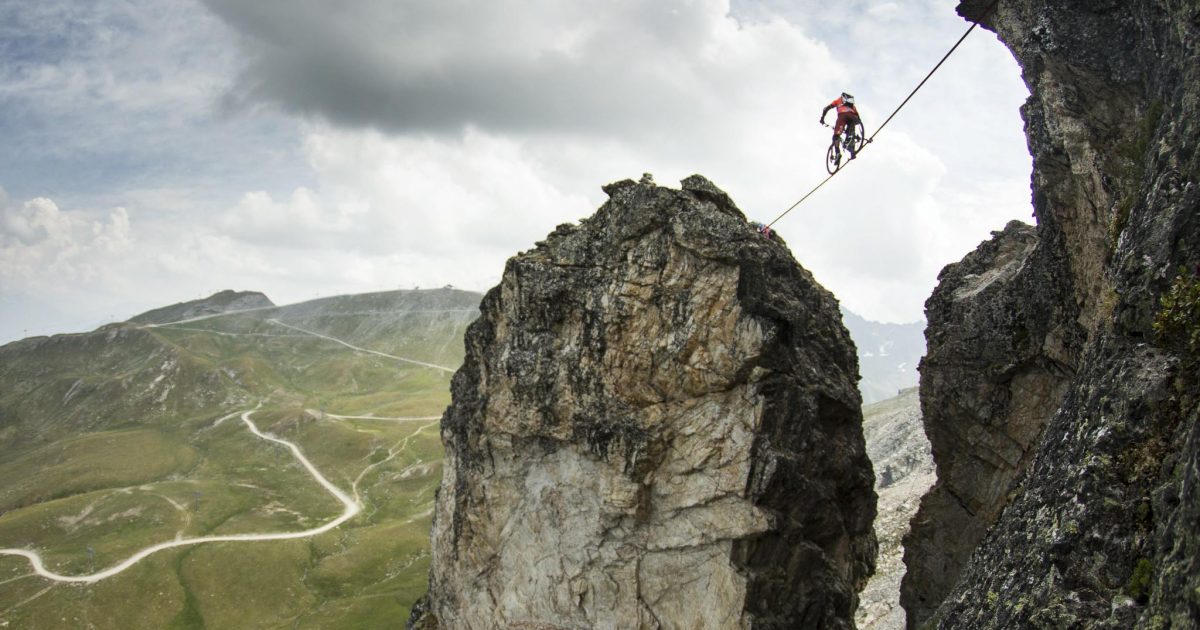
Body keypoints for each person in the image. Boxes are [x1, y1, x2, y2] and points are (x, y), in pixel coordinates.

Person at [820, 92, 863, 156]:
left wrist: (822, 119)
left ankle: (837, 153)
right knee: (850, 133)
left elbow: (826, 109)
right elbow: (857, 116)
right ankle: (852, 152)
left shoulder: (838, 100)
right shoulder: (852, 105)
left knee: (836, 136)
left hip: (842, 116)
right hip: (852, 117)